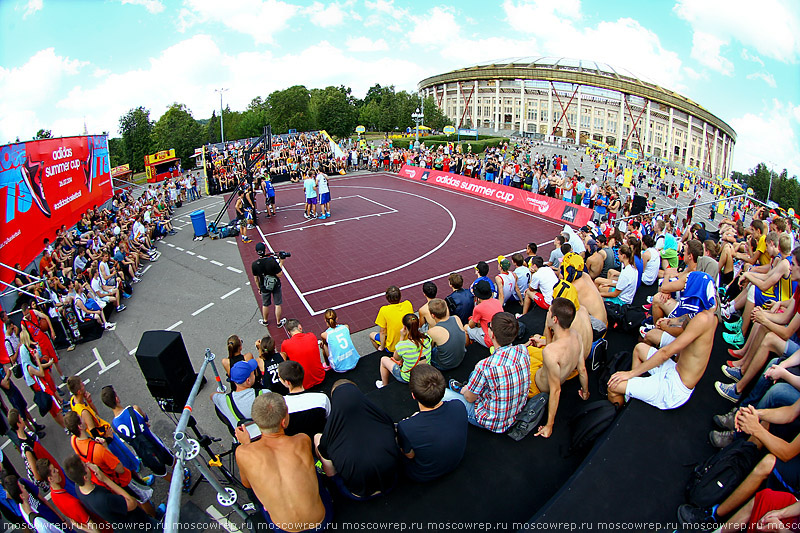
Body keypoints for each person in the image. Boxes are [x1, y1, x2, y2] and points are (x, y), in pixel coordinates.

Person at [607, 284, 717, 409]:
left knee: (613, 387)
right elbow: (684, 320)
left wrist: (631, 374)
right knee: (640, 348)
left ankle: (623, 406)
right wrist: (668, 322)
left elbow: (665, 353)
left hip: (674, 388)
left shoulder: (702, 319)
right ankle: (632, 392)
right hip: (674, 370)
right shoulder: (706, 311)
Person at [236, 393, 332, 530]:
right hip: (321, 522)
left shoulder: (242, 452)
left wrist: (245, 445)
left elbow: (247, 484)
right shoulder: (302, 440)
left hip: (284, 528)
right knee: (313, 467)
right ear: (284, 421)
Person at [445, 313, 531, 433]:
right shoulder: (523, 350)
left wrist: (466, 391)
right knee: (474, 377)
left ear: (492, 334)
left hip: (492, 421)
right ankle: (467, 387)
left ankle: (464, 388)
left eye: (489, 326)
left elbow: (469, 398)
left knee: (444, 394)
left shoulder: (485, 366)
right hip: (515, 412)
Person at [315, 381, 400, 500]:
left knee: (317, 438)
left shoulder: (330, 434)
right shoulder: (382, 418)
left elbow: (331, 473)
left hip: (357, 493)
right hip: (391, 482)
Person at [526, 298, 590, 438]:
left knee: (516, 360)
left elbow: (555, 390)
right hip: (551, 369)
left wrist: (549, 425)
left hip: (538, 384)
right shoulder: (576, 336)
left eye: (548, 311)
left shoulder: (551, 353)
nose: (547, 313)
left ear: (554, 319)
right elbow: (582, 369)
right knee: (527, 350)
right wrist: (585, 391)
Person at [397, 365, 468, 482]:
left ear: (413, 395)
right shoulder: (458, 405)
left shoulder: (406, 427)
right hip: (455, 462)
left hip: (424, 474)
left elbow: (409, 455)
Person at [102, 385, 184, 483]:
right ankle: (183, 476)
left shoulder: (114, 427)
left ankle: (179, 484)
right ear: (116, 398)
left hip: (143, 453)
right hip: (155, 444)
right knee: (172, 460)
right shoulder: (134, 409)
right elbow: (145, 420)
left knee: (162, 473)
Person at [67, 376, 140, 475]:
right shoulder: (84, 412)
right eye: (81, 384)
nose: (84, 384)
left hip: (103, 431)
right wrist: (108, 439)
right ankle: (136, 470)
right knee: (123, 455)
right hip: (105, 434)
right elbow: (94, 431)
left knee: (122, 455)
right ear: (79, 391)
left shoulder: (73, 400)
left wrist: (89, 402)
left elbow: (95, 415)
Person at [63, 455, 157, 530]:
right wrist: (105, 479)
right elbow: (132, 503)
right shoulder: (103, 498)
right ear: (85, 477)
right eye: (85, 466)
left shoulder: (78, 488)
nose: (88, 465)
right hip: (140, 526)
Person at [37, 458, 108, 533]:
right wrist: (80, 527)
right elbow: (96, 531)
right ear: (50, 479)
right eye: (54, 471)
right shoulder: (72, 503)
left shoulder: (54, 495)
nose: (57, 470)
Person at [277, 361, 330, 439]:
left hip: (296, 447)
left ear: (287, 382)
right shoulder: (322, 398)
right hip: (322, 442)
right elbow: (329, 417)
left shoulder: (281, 405)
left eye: (279, 378)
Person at [377, 314, 432, 388]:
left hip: (408, 377)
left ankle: (384, 384)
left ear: (405, 327)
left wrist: (402, 337)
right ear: (418, 324)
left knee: (383, 359)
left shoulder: (403, 345)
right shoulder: (427, 338)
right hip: (425, 372)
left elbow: (396, 358)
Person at [212, 360, 265, 432]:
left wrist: (220, 394)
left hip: (245, 440)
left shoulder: (224, 400)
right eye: (253, 373)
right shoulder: (264, 394)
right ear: (248, 380)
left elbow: (212, 396)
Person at [281, 319, 326, 388]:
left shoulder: (285, 344)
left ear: (289, 333)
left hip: (302, 384)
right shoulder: (312, 336)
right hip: (320, 377)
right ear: (300, 327)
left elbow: (285, 359)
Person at [369, 286, 414, 354]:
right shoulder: (408, 304)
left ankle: (383, 353)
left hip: (393, 347)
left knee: (371, 335)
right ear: (400, 296)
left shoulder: (384, 310)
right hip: (409, 340)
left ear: (387, 298)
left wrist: (382, 346)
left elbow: (382, 332)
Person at [251, 242, 286, 328]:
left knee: (265, 304)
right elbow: (280, 274)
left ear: (256, 251)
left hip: (264, 286)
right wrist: (281, 262)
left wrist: (259, 288)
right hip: (275, 285)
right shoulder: (271, 261)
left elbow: (256, 279)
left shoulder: (254, 264)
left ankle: (265, 321)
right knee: (277, 304)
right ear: (264, 250)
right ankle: (278, 322)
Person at [426, 298, 466, 370]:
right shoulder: (456, 318)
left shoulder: (432, 331)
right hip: (461, 358)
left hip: (445, 365)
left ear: (433, 315)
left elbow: (429, 349)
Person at [463, 280, 503, 348]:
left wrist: (472, 318)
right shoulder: (497, 302)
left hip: (491, 340)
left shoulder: (478, 308)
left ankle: (469, 348)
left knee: (465, 327)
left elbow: (471, 325)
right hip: (501, 335)